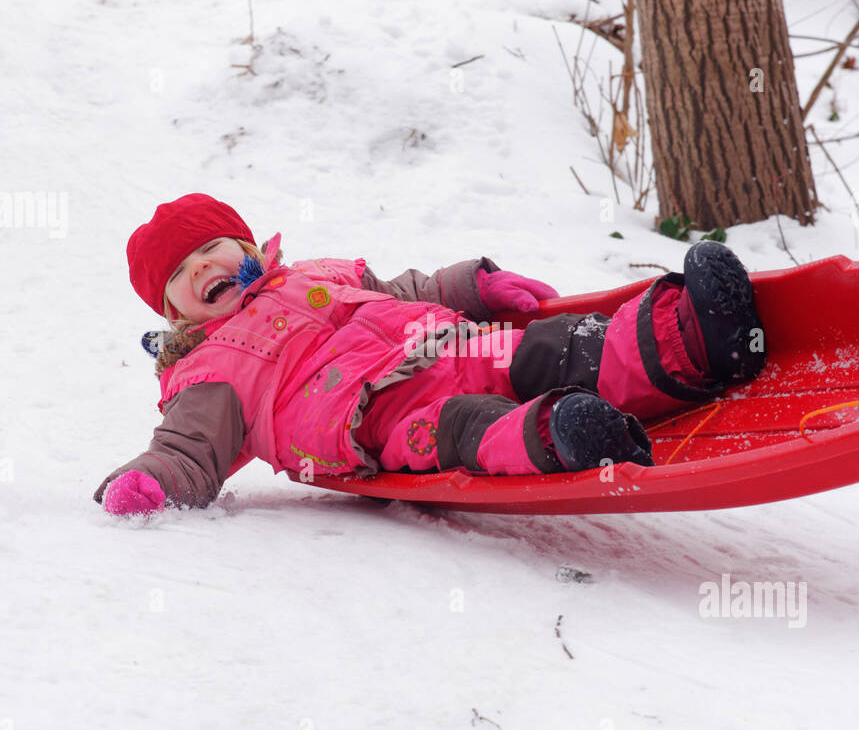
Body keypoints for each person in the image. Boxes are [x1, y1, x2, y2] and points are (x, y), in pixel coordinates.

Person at [94, 193, 764, 515]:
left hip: (445, 344)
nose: (203, 265)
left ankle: (694, 339)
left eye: (212, 246)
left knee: (552, 348)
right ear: (174, 311)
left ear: (245, 245)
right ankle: (567, 435)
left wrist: (470, 283)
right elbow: (189, 449)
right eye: (181, 271)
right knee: (472, 426)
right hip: (380, 420)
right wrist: (152, 481)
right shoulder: (207, 369)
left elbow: (400, 289)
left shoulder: (316, 273)